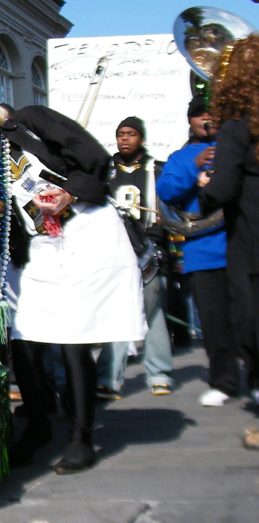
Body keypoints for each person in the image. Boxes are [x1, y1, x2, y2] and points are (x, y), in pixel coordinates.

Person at [0, 103, 144, 474]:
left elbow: (96, 159)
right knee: (23, 338)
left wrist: (69, 193)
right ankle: (38, 427)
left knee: (74, 338)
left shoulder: (29, 122)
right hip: (37, 249)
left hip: (82, 231)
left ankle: (81, 439)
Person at [156, 96, 248, 406]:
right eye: (200, 114)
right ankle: (224, 382)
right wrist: (194, 167)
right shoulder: (181, 157)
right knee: (214, 323)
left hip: (242, 246)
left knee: (249, 319)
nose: (206, 118)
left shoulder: (239, 145)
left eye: (213, 113)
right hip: (202, 251)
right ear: (191, 121)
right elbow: (166, 192)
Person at [198, 34, 259, 409]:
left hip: (250, 239)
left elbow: (222, 187)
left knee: (248, 318)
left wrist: (205, 187)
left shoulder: (237, 125)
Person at [97, 117, 175, 399]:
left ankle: (159, 373)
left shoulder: (157, 170)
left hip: (148, 251)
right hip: (115, 250)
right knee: (117, 312)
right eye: (120, 134)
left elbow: (169, 214)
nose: (125, 139)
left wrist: (168, 251)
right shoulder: (105, 170)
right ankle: (108, 377)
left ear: (141, 138)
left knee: (152, 312)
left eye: (130, 134)